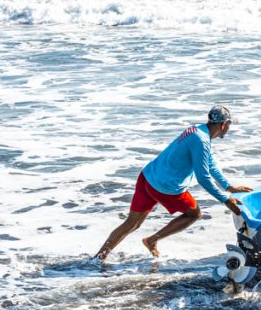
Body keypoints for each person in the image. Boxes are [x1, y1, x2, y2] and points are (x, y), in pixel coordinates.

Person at [93, 105, 252, 261]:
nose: (229, 128)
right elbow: (203, 177)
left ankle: (98, 258)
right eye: (229, 124)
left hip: (148, 176)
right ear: (223, 125)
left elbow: (210, 163)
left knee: (132, 224)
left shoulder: (198, 131)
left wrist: (228, 187)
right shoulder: (202, 141)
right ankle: (152, 240)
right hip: (165, 187)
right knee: (194, 214)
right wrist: (225, 200)